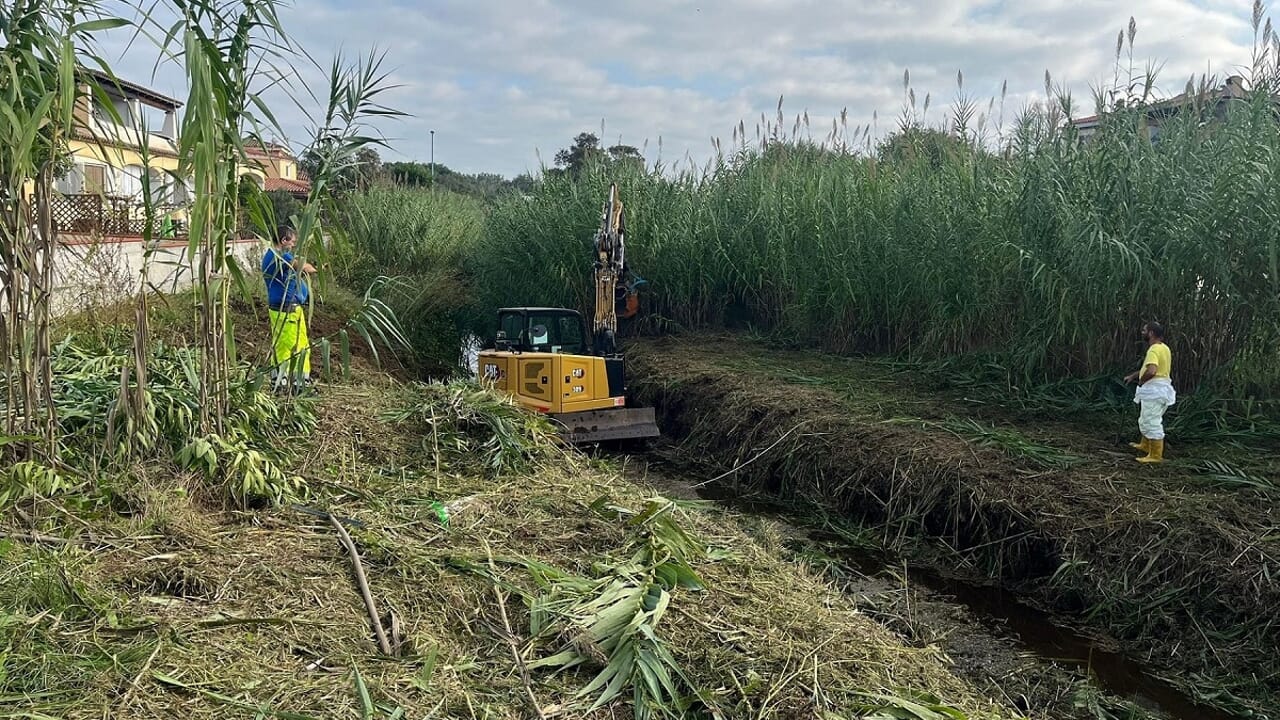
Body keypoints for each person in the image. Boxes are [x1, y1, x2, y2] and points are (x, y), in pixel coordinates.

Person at [262, 225, 315, 393]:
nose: (293, 245)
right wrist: (314, 269)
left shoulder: (277, 256)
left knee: (299, 344)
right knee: (288, 345)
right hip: (285, 310)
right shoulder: (278, 256)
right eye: (292, 242)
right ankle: (285, 383)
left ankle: (297, 381)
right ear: (284, 240)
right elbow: (301, 266)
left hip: (289, 308)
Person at [1123, 321, 1175, 463]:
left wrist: (1142, 381)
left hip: (1154, 391)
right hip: (1161, 390)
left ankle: (1156, 455)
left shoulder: (1153, 350)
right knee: (1146, 418)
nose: (1142, 332)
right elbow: (1149, 368)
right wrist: (1134, 376)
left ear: (1151, 333)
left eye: (1144, 330)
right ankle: (1145, 445)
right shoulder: (1164, 348)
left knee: (1151, 421)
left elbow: (1151, 371)